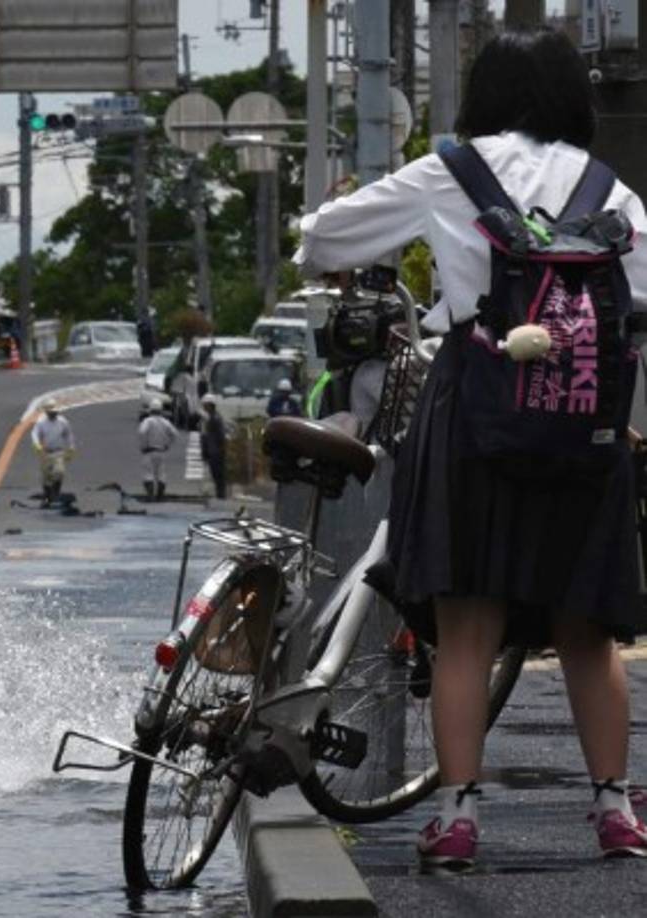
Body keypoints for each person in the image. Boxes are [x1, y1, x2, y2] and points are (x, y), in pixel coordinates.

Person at [294, 28, 647, 870]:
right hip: (585, 422)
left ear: (483, 94)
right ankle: (614, 811)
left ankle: (455, 817)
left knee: (466, 632)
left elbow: (323, 241)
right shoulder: (617, 193)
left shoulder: (452, 172)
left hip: (475, 415)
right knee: (588, 634)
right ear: (574, 98)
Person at [31, 398, 75, 506]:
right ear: (47, 412)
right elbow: (35, 434)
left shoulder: (63, 422)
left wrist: (71, 448)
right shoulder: (41, 422)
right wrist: (37, 445)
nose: (53, 414)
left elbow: (68, 434)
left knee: (59, 473)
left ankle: (56, 494)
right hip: (45, 452)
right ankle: (47, 497)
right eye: (51, 412)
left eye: (55, 412)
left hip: (58, 452)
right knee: (47, 476)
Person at [137, 398, 177, 501]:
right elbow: (174, 433)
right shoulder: (165, 422)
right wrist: (167, 444)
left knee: (148, 474)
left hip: (149, 451)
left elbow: (142, 432)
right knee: (161, 474)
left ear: (150, 410)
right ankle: (160, 496)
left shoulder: (148, 421)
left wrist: (143, 445)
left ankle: (150, 496)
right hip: (161, 451)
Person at [199, 394, 227, 500]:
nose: (204, 407)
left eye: (205, 405)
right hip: (213, 450)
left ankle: (221, 494)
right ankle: (220, 494)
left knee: (218, 474)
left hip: (216, 451)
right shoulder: (211, 418)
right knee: (216, 474)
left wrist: (218, 448)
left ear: (210, 405)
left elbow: (218, 436)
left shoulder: (214, 419)